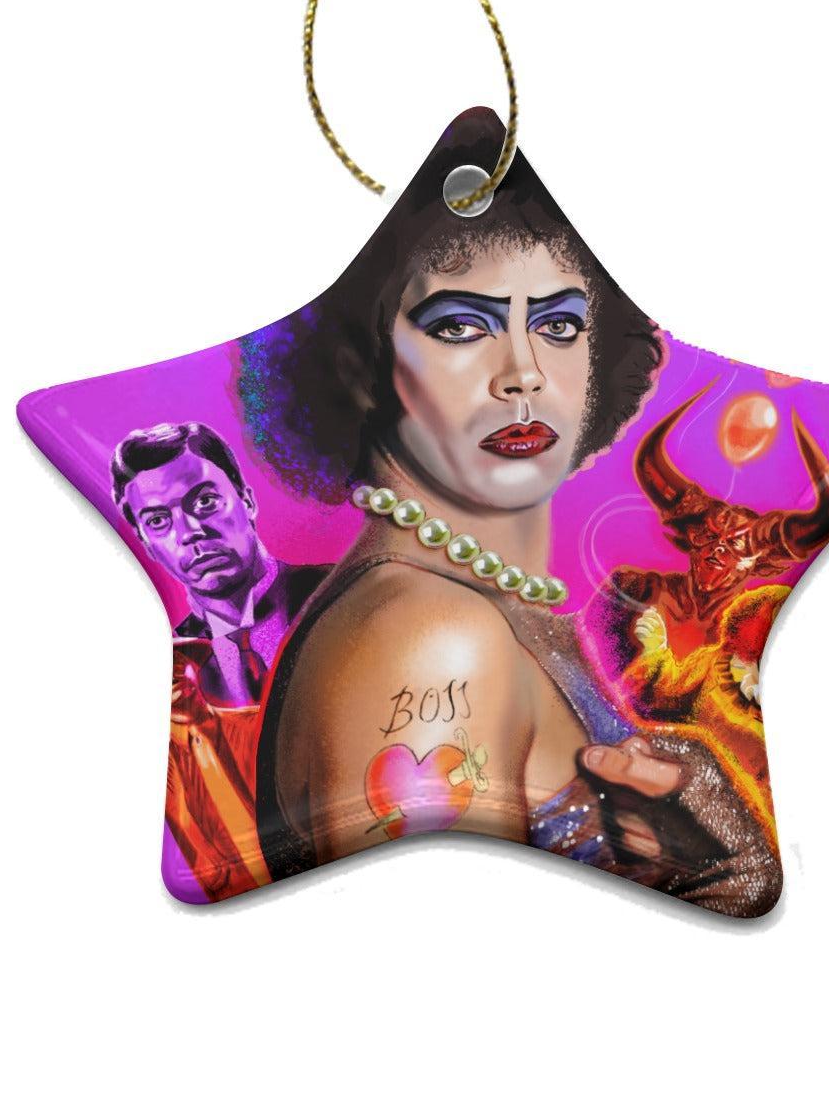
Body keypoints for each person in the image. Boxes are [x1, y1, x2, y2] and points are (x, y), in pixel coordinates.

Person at [239, 109, 782, 916]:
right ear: (361, 363)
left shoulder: (487, 608)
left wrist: (727, 876)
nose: (522, 372)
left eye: (558, 324)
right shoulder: (434, 639)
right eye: (462, 325)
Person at [111, 421, 327, 899]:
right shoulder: (173, 676)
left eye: (205, 501)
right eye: (159, 522)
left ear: (246, 500)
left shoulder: (346, 598)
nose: (190, 532)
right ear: (146, 544)